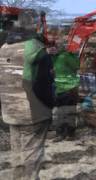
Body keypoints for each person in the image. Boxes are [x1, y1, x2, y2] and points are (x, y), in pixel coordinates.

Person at [0, 11, 54, 180]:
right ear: (35, 25)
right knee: (32, 155)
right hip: (32, 112)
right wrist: (50, 105)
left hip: (10, 110)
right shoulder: (36, 48)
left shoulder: (4, 47)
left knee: (17, 153)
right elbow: (45, 82)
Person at [52, 43, 80, 142]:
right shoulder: (67, 56)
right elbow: (77, 66)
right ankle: (70, 134)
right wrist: (73, 55)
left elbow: (52, 71)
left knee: (60, 113)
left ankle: (60, 133)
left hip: (59, 89)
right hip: (69, 88)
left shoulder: (54, 58)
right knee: (70, 112)